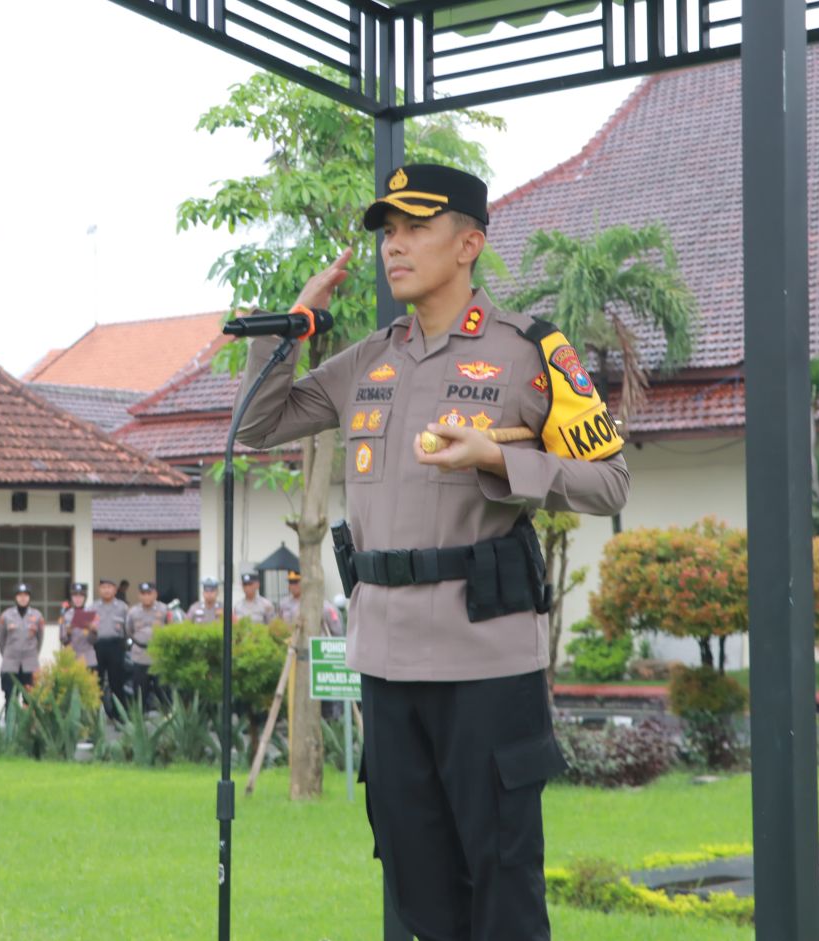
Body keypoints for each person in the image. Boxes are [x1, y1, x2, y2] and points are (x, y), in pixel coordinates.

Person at [233, 163, 629, 941]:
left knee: (503, 886)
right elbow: (258, 424)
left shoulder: (529, 352)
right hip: (387, 660)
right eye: (389, 231)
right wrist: (289, 330)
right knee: (417, 886)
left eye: (416, 227)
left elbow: (610, 480)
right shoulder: (368, 360)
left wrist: (500, 460)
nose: (395, 245)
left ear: (468, 244)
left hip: (485, 661)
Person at [0, 583, 45, 710]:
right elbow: (1, 639)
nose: (23, 598)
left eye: (26, 595)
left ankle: (28, 724)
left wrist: (32, 654)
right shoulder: (6, 616)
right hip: (10, 664)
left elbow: (40, 639)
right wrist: (8, 654)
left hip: (30, 664)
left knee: (30, 700)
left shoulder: (37, 616)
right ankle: (10, 723)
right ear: (15, 597)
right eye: (20, 595)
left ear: (29, 597)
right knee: (10, 699)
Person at [125, 581, 170, 707]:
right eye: (143, 594)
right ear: (139, 595)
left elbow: (171, 628)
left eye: (149, 593)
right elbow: (128, 630)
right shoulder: (133, 612)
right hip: (140, 656)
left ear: (155, 594)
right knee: (139, 693)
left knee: (163, 692)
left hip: (159, 656)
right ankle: (139, 717)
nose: (146, 597)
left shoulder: (164, 609)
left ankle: (168, 715)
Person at [88, 577, 129, 715]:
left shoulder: (123, 607)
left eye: (109, 587)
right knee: (96, 683)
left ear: (115, 590)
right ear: (99, 590)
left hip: (116, 646)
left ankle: (119, 716)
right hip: (97, 647)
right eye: (103, 587)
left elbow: (129, 629)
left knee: (116, 682)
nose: (106, 590)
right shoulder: (92, 608)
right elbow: (83, 631)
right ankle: (95, 715)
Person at [277, 571, 341, 636]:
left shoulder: (323, 605)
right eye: (290, 582)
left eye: (296, 582)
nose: (292, 586)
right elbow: (278, 626)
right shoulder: (284, 604)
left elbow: (337, 631)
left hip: (315, 640)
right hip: (292, 641)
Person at [58, 582, 97, 675]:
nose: (78, 599)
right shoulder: (66, 615)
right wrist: (68, 633)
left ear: (85, 598)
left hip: (88, 658)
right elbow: (62, 640)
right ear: (71, 597)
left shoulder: (92, 614)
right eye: (75, 596)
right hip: (72, 658)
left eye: (81, 596)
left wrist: (93, 631)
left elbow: (94, 641)